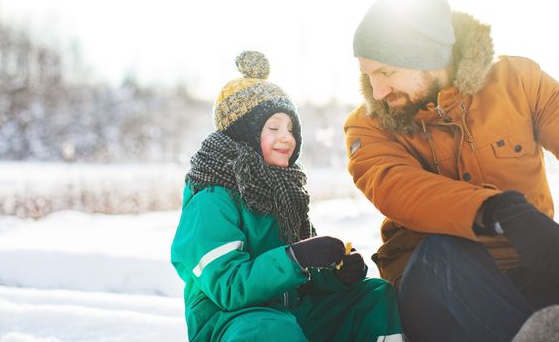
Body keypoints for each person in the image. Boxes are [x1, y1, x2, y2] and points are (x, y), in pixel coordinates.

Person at [344, 0, 559, 341]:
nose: (377, 90)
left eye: (387, 71)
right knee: (442, 251)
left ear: (430, 58)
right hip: (436, 291)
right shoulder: (368, 124)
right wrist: (496, 212)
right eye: (368, 74)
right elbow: (396, 186)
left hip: (531, 271)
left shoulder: (518, 82)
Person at [171, 51, 403, 342]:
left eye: (291, 128)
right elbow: (230, 287)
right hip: (232, 322)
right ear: (244, 133)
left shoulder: (283, 191)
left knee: (373, 296)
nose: (287, 137)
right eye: (273, 128)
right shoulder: (211, 198)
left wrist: (335, 275)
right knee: (271, 328)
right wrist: (296, 257)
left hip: (289, 312)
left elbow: (299, 281)